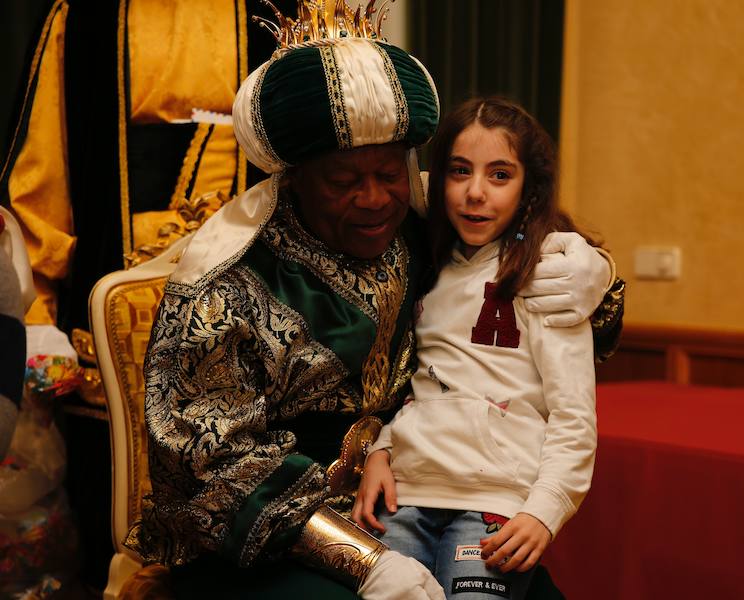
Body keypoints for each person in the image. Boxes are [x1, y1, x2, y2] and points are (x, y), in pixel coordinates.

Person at [124, 6, 617, 600]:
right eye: (343, 182)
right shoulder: (224, 283)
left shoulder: (419, 224)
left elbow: (514, 286)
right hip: (272, 533)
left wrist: (593, 272)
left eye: (390, 173)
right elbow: (211, 472)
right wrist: (365, 561)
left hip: (419, 488)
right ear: (295, 177)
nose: (375, 199)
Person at [351, 97, 606, 599]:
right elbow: (419, 386)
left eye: (500, 175)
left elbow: (574, 416)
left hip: (494, 501)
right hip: (407, 494)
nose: (474, 193)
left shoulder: (551, 274)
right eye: (459, 171)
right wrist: (380, 451)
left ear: (528, 189)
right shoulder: (423, 264)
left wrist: (545, 509)